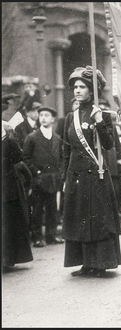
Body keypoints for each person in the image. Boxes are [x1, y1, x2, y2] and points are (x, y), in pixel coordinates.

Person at [62, 66, 121, 278]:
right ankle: (86, 263)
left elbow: (108, 144)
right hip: (76, 176)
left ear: (91, 90)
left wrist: (99, 123)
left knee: (97, 219)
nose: (77, 91)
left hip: (96, 175)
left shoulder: (101, 115)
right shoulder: (71, 117)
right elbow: (66, 150)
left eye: (82, 87)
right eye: (75, 87)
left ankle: (101, 263)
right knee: (80, 219)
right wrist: (65, 178)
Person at [22, 106, 65, 247]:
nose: (43, 118)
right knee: (38, 209)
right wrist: (36, 172)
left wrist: (59, 173)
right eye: (41, 115)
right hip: (38, 179)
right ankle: (37, 237)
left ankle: (51, 235)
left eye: (47, 115)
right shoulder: (32, 138)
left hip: (53, 179)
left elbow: (61, 157)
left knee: (52, 208)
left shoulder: (57, 139)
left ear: (52, 119)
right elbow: (26, 158)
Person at [2, 117, 34, 271]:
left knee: (8, 223)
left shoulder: (5, 132)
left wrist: (9, 135)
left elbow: (17, 157)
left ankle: (7, 259)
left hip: (6, 183)